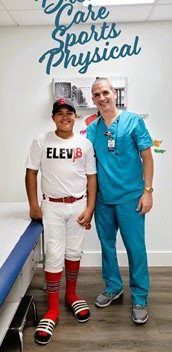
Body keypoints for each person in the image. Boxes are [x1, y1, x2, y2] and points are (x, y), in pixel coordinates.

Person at [25, 98, 97, 345]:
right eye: (59, 113)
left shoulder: (85, 143)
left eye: (69, 113)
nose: (64, 117)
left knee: (74, 252)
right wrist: (34, 204)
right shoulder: (41, 140)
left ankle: (72, 295)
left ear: (75, 117)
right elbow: (31, 172)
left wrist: (90, 207)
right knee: (54, 254)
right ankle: (52, 310)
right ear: (53, 117)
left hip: (77, 204)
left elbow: (91, 177)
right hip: (52, 205)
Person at [86, 78, 154, 324]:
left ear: (114, 93)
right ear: (92, 99)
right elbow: (86, 165)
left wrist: (147, 191)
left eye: (105, 92)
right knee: (107, 246)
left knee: (136, 249)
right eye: (96, 94)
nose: (101, 97)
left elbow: (147, 157)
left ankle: (140, 297)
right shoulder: (92, 129)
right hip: (104, 199)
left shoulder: (133, 121)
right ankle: (113, 286)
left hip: (130, 198)